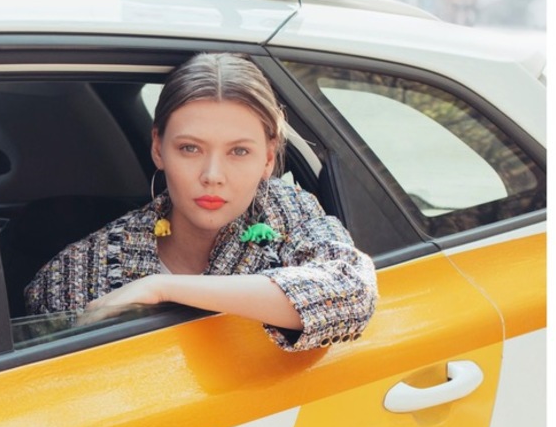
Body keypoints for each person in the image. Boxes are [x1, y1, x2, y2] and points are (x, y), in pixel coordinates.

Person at [22, 53, 376, 352]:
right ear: (158, 148)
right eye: (190, 148)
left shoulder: (290, 213)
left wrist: (162, 287)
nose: (212, 175)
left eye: (239, 151)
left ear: (268, 159)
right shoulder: (81, 271)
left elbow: (352, 292)